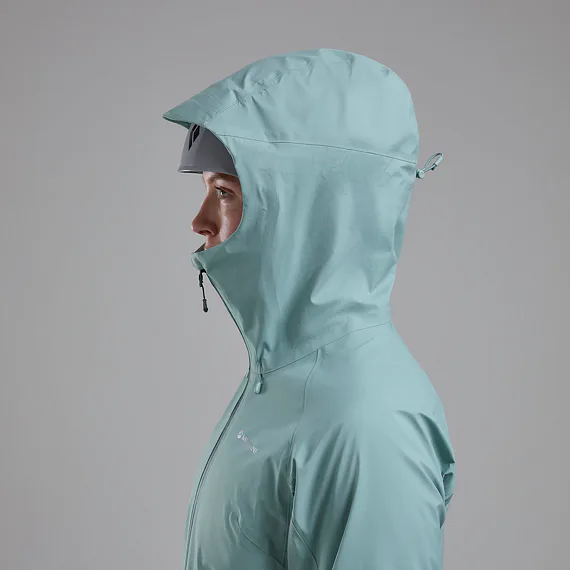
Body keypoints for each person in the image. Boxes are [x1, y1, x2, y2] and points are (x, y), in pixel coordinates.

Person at [163, 47, 456, 570]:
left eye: (224, 192)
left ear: (311, 208)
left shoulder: (366, 426)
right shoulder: (282, 380)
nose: (200, 221)